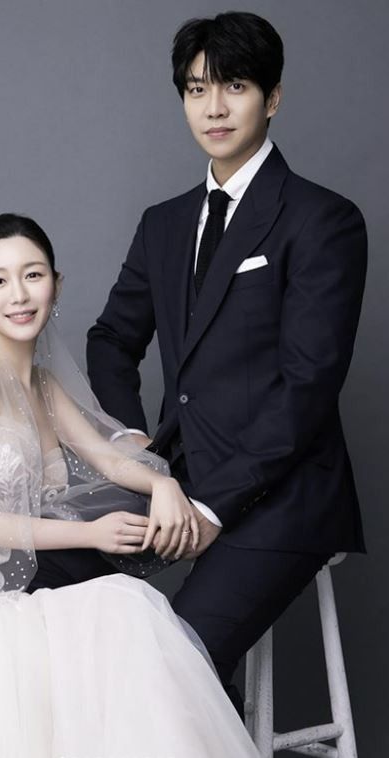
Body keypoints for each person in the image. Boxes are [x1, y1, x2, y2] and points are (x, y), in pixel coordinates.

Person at [0, 213, 259, 757]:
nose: (18, 294)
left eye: (32, 275)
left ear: (56, 285)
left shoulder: (42, 383)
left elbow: (110, 459)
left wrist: (165, 487)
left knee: (123, 616)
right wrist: (94, 534)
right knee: (33, 696)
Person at [84, 12, 368, 715]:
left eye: (234, 86)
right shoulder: (163, 223)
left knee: (171, 658)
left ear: (272, 98)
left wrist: (213, 506)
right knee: (38, 589)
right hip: (174, 479)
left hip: (282, 497)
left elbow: (307, 386)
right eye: (196, 89)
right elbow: (111, 339)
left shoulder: (323, 219)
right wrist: (136, 450)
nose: (213, 107)